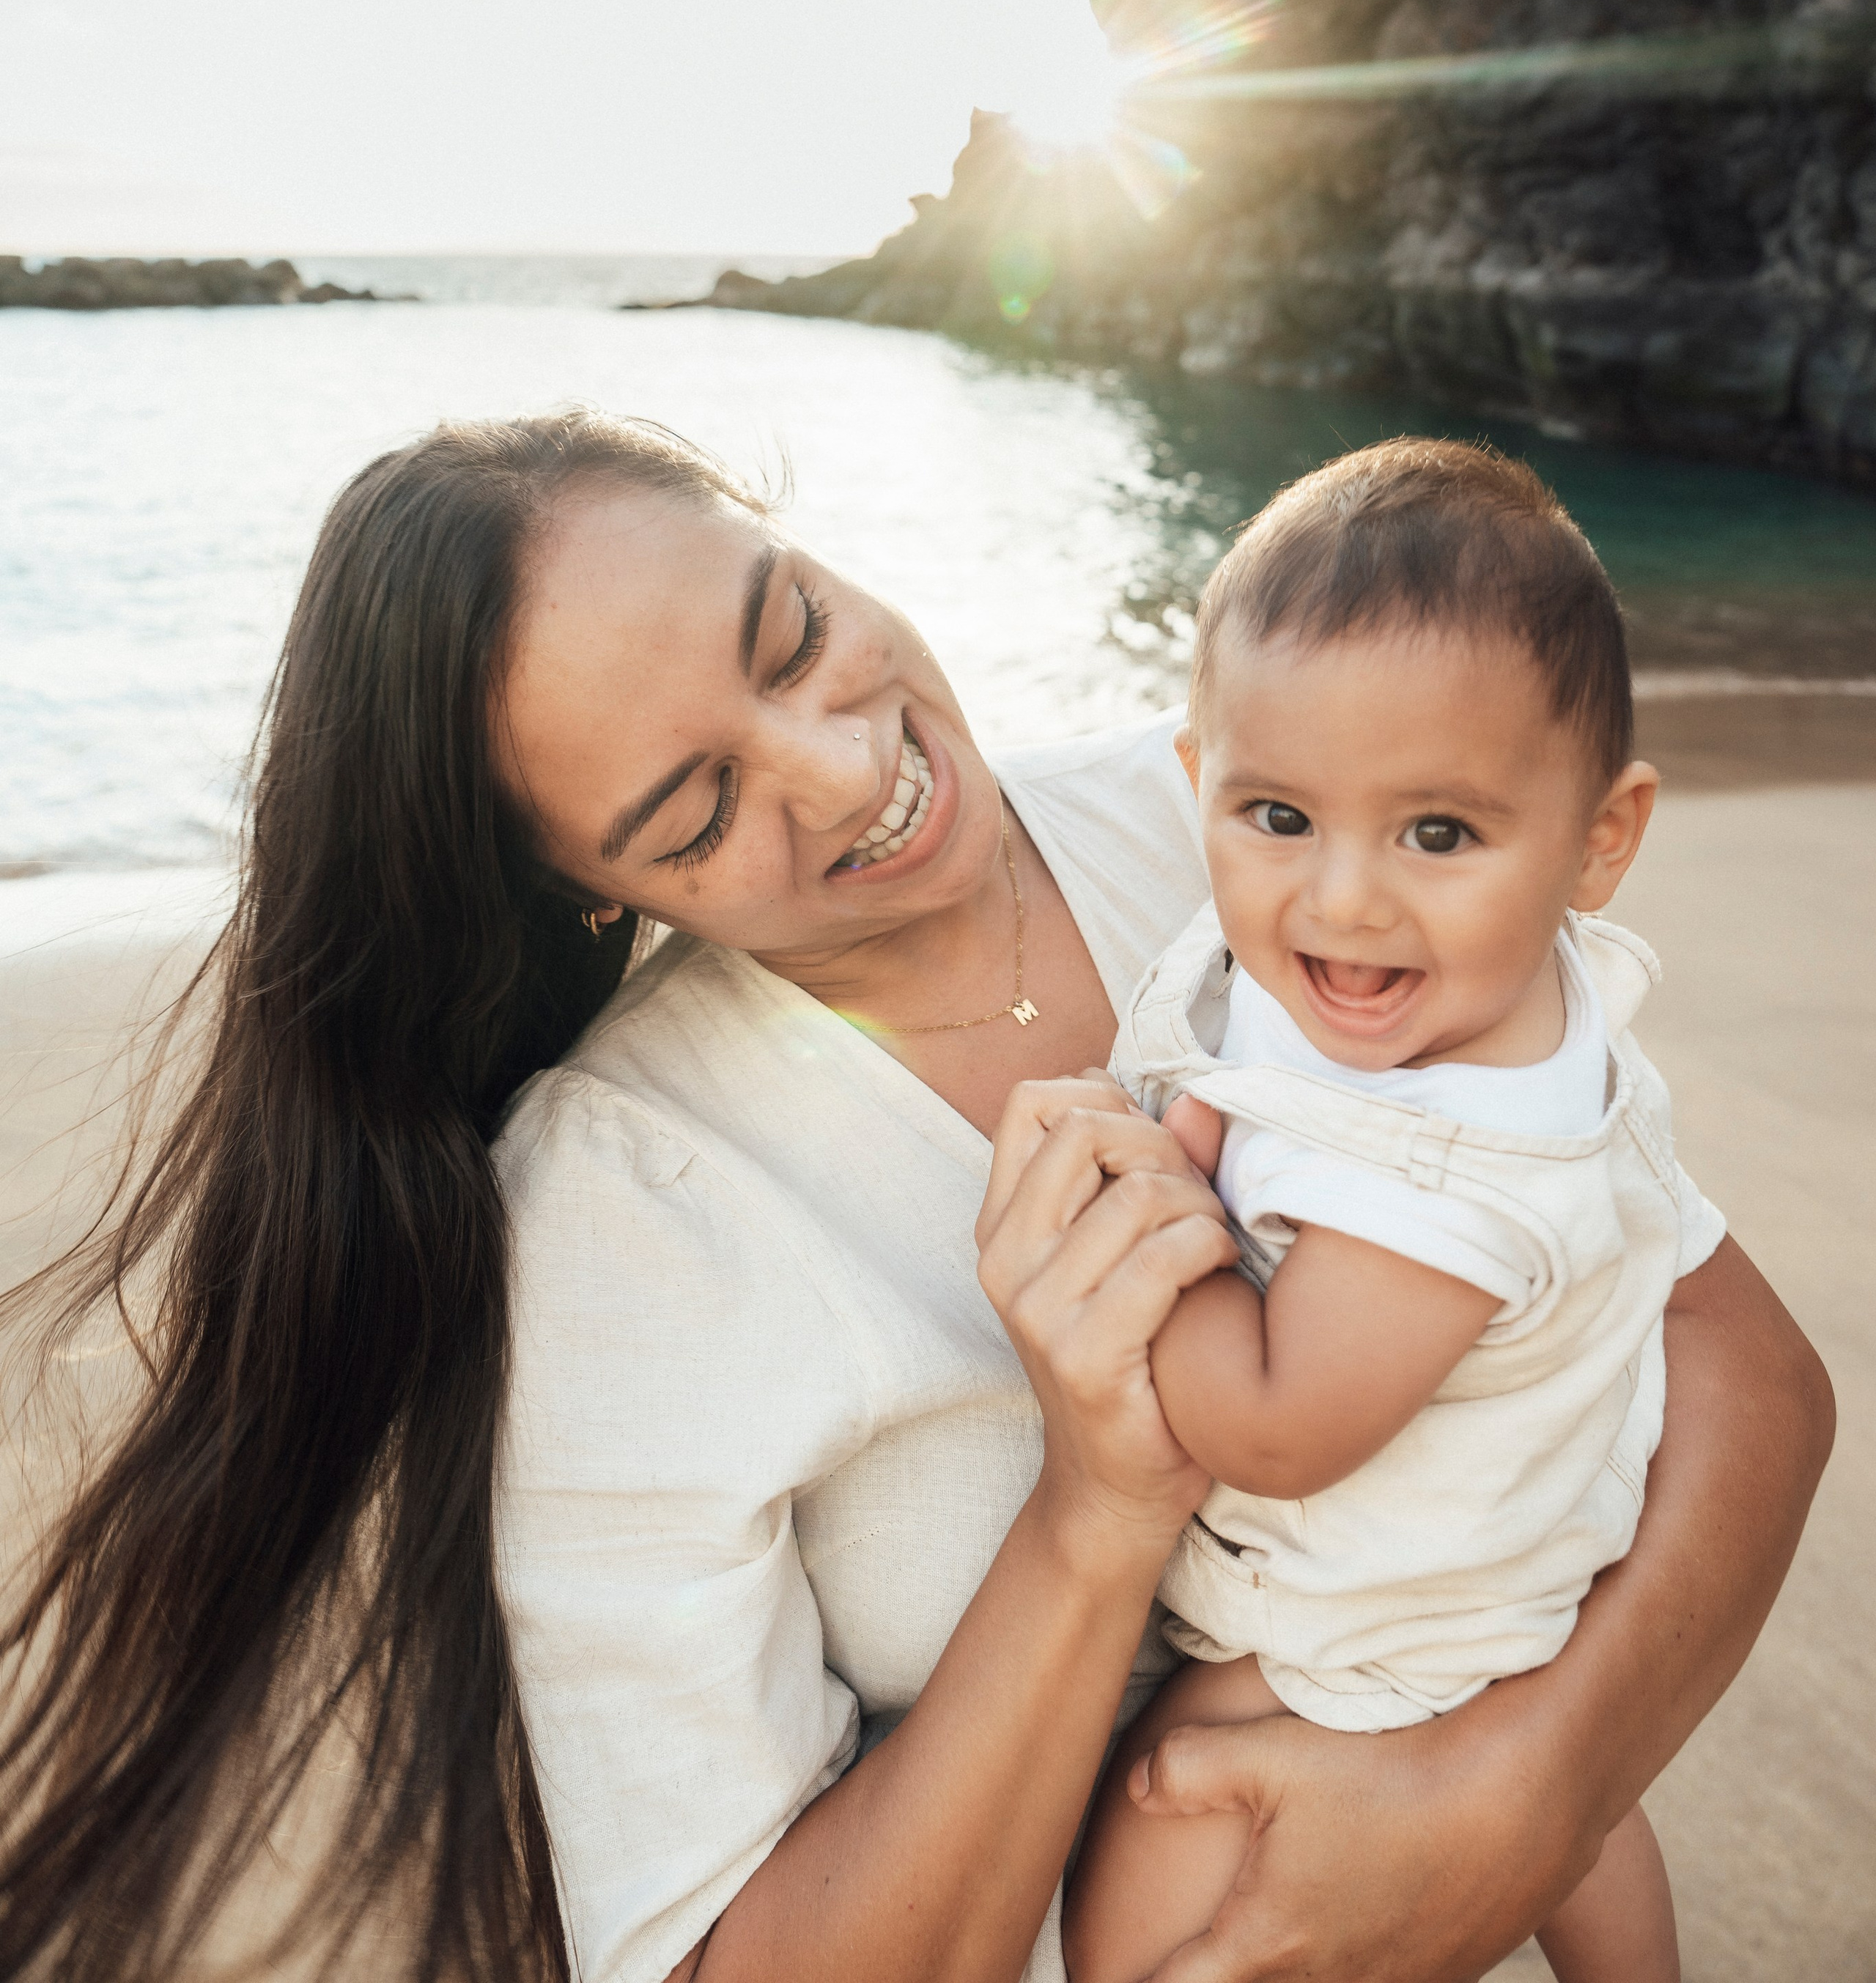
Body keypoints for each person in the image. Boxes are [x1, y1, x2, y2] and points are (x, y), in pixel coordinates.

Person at [0, 411, 1832, 1983]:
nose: (846, 765)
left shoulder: (1261, 824)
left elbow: (1740, 1365)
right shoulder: (625, 1212)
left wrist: (1523, 1801)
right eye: (694, 812)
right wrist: (1097, 1510)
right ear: (579, 895)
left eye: (791, 631)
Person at [1064, 444, 1694, 1983]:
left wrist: (1164, 1215)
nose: (1341, 902)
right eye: (1273, 815)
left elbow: (1275, 1430)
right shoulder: (1456, 993)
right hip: (1511, 1561)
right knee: (1590, 1822)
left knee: (1147, 1867)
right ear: (1190, 777)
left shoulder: (1450, 1165)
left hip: (1372, 1633)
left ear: (1599, 839)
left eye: (1434, 835)